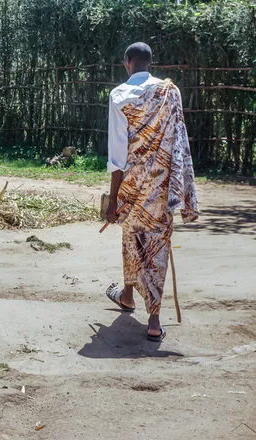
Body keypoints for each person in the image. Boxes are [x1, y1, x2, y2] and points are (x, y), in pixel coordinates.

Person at [104, 42, 199, 342]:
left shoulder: (119, 95)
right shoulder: (170, 92)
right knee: (157, 247)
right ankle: (153, 319)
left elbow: (117, 154)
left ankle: (128, 295)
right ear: (150, 62)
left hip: (132, 185)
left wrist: (113, 199)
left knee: (132, 240)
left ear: (127, 62)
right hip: (161, 186)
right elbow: (178, 143)